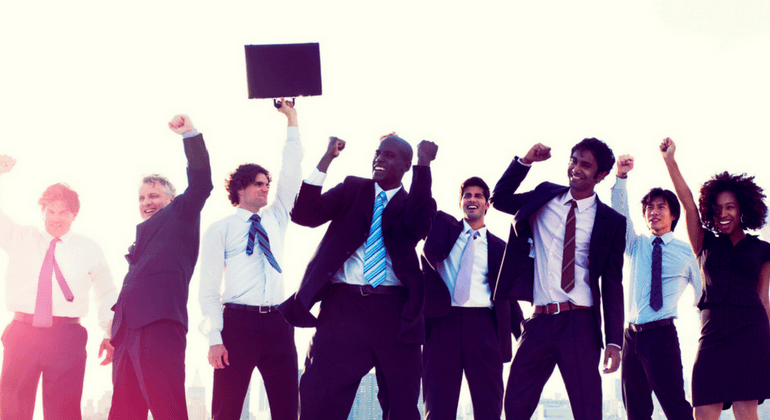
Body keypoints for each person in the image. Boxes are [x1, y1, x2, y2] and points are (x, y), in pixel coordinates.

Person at [278, 133, 438, 419]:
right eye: (377, 153)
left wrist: (424, 165)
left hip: (395, 312)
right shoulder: (353, 189)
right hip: (343, 309)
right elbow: (305, 214)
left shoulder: (417, 202)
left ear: (406, 164)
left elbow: (416, 226)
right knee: (318, 397)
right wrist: (327, 158)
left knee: (402, 403)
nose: (379, 159)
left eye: (389, 155)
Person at [490, 138, 626, 420]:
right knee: (514, 405)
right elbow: (499, 199)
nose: (576, 168)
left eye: (585, 165)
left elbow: (612, 283)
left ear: (600, 175)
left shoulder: (611, 221)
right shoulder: (544, 196)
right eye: (573, 160)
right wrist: (525, 161)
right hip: (538, 321)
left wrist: (614, 340)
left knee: (587, 411)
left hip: (579, 323)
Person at [199, 100, 301, 420]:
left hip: (279, 323)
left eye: (267, 184)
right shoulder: (221, 229)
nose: (266, 188)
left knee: (287, 410)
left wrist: (292, 119)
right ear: (240, 188)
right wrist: (215, 339)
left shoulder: (277, 217)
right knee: (226, 411)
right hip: (237, 325)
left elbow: (291, 171)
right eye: (259, 183)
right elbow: (208, 289)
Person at [108, 115, 213, 420]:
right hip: (126, 333)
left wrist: (189, 135)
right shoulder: (143, 236)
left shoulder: (180, 216)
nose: (147, 202)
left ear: (172, 199)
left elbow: (202, 183)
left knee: (168, 409)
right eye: (142, 197)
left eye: (154, 195)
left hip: (160, 326)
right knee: (124, 413)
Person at [0, 157, 118, 420]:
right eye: (50, 212)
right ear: (41, 212)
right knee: (12, 412)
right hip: (22, 334)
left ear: (74, 214)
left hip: (67, 337)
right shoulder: (21, 238)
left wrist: (111, 332)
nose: (56, 219)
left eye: (63, 212)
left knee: (64, 413)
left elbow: (106, 292)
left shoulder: (89, 249)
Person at [661, 137, 770, 420]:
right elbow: (687, 204)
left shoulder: (763, 250)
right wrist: (670, 161)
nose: (723, 214)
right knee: (703, 411)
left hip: (751, 332)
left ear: (743, 209)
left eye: (731, 207)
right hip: (712, 334)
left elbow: (763, 299)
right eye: (719, 208)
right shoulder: (704, 242)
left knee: (745, 409)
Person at [420, 176, 523, 419]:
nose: (472, 199)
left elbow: (508, 295)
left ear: (487, 204)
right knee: (438, 405)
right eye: (467, 195)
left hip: (484, 327)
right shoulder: (442, 228)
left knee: (489, 405)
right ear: (460, 203)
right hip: (443, 323)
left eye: (478, 196)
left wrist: (522, 335)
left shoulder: (500, 247)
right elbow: (421, 203)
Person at [611, 154, 701, 420]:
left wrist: (705, 341)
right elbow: (620, 213)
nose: (654, 212)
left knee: (676, 407)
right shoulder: (636, 246)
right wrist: (621, 178)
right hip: (632, 337)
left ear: (672, 215)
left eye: (661, 207)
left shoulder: (688, 254)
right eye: (649, 208)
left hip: (662, 337)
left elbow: (701, 300)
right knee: (635, 411)